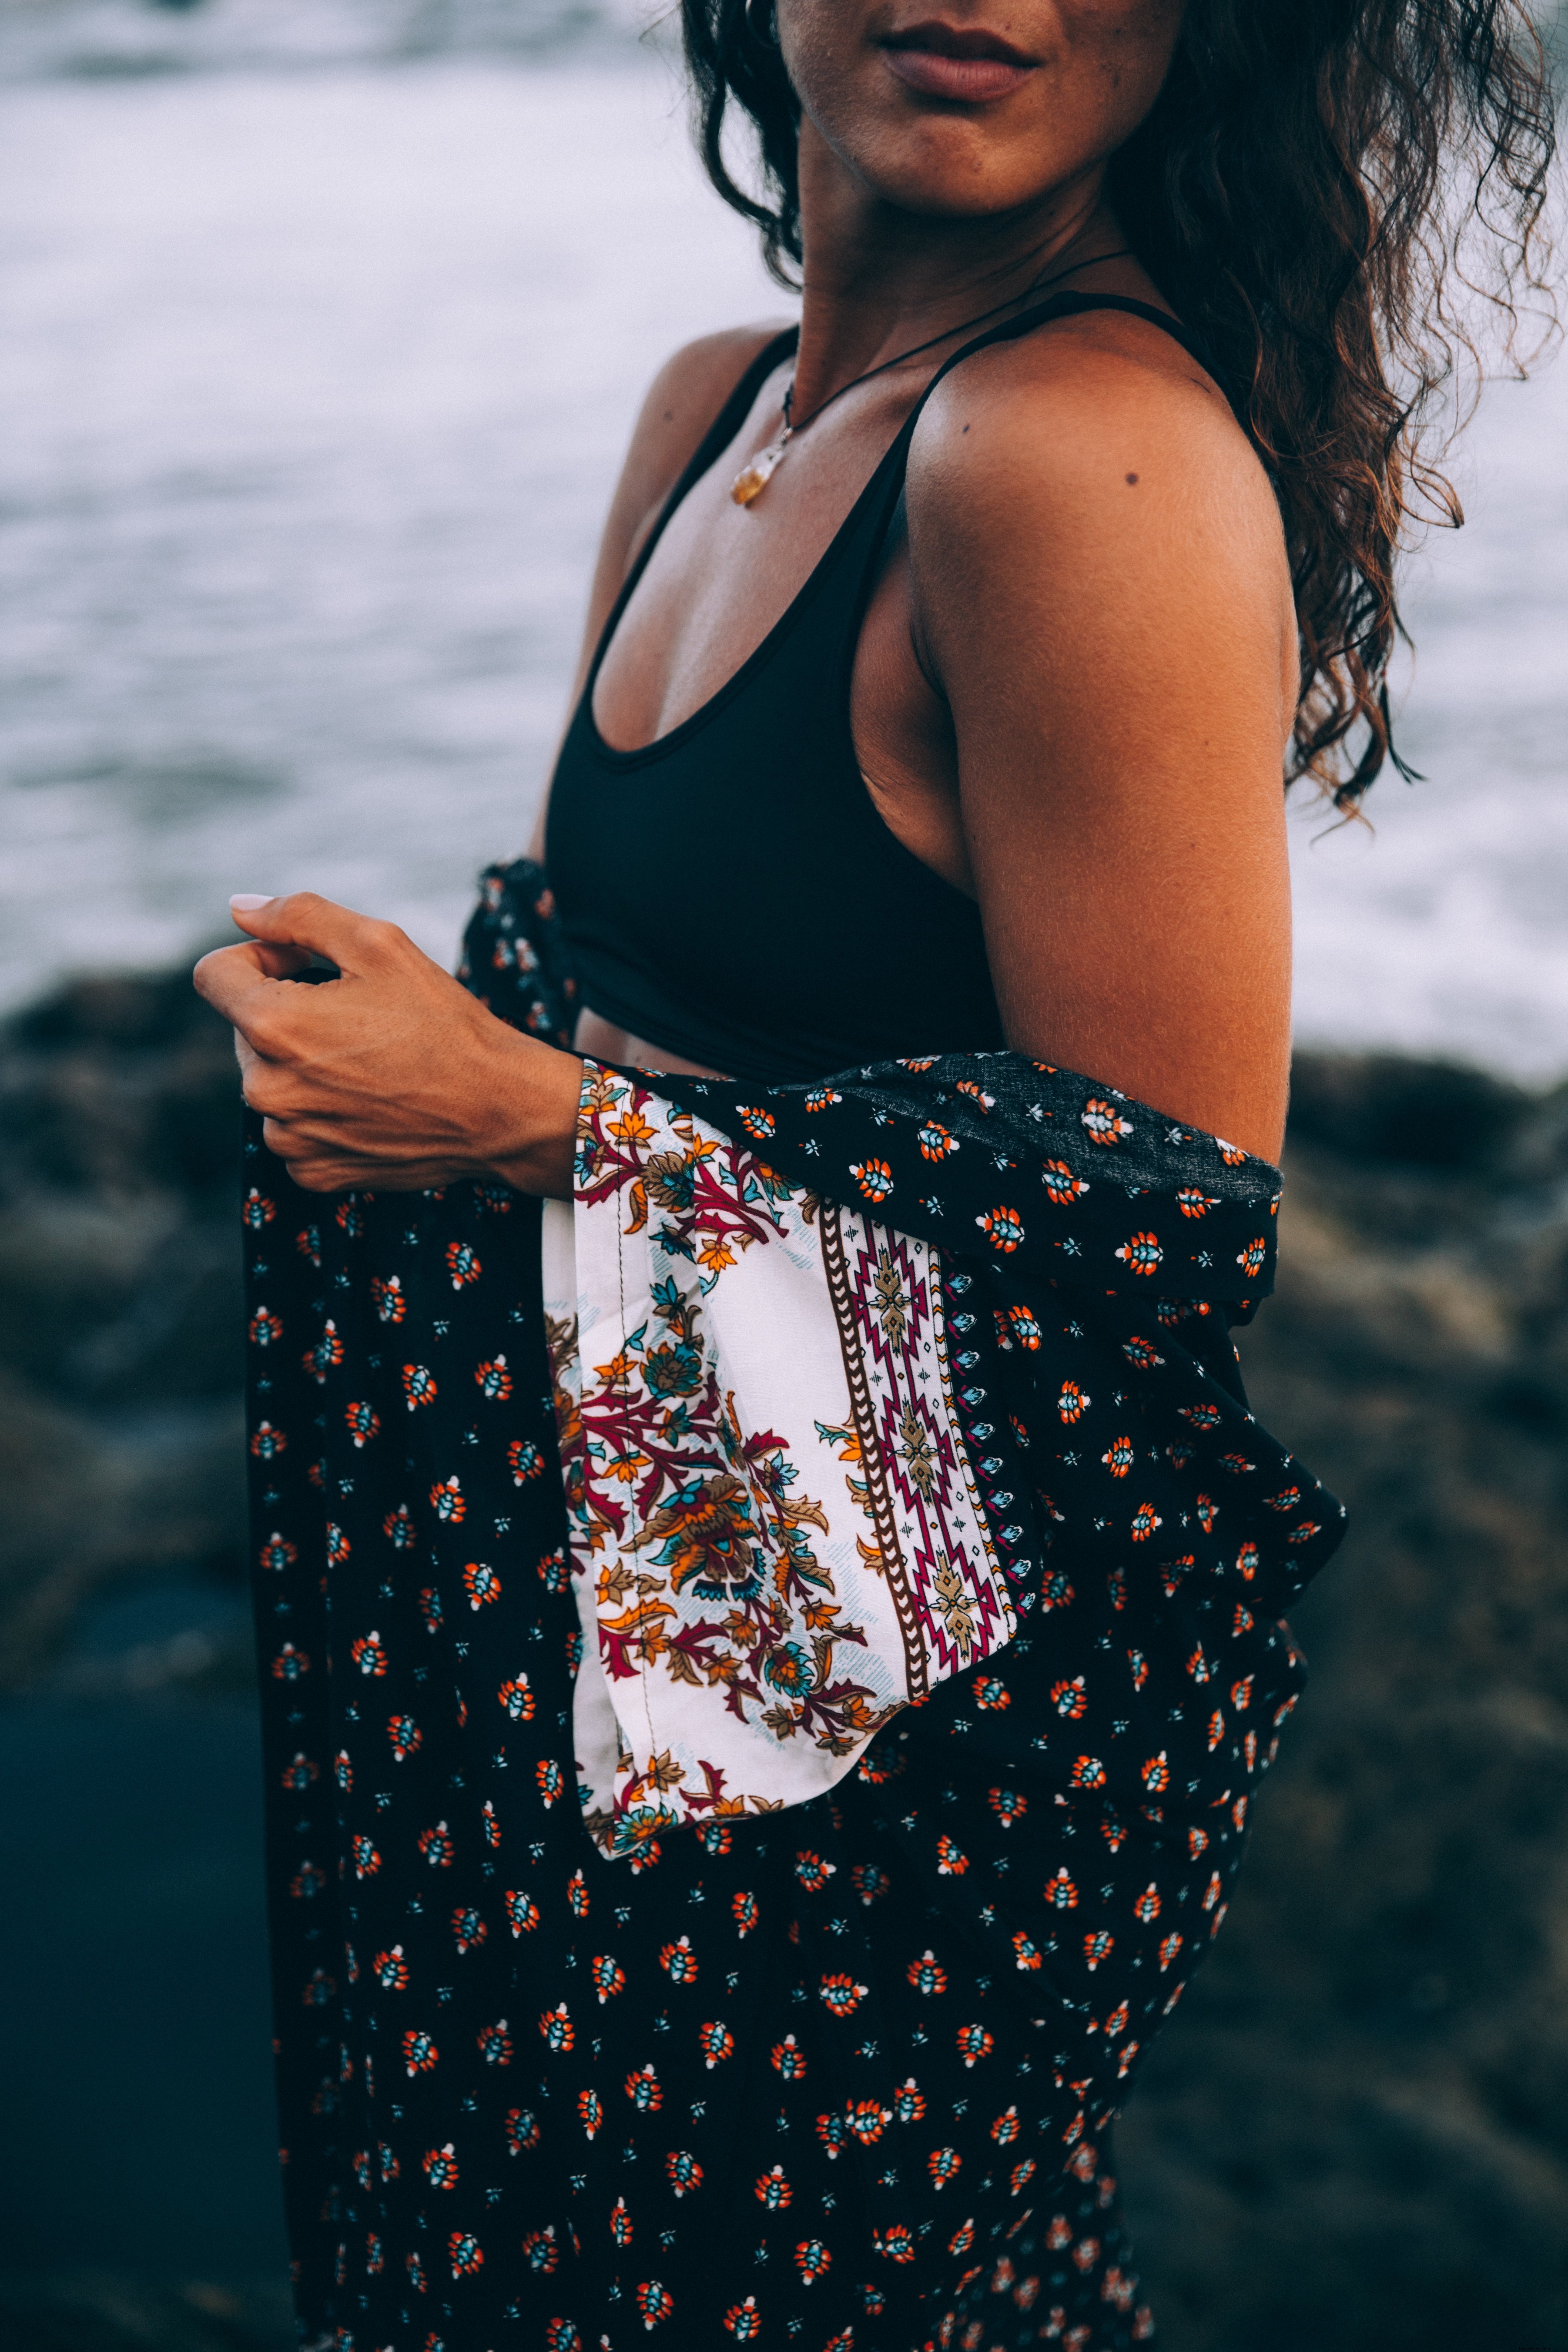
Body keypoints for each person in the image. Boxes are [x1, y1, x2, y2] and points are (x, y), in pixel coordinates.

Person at [195, 4, 1555, 2345]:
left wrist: (521, 1116)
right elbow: (623, 976)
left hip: (905, 1713)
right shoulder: (717, 408)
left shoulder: (1071, 457)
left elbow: (1160, 1213)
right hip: (632, 1585)